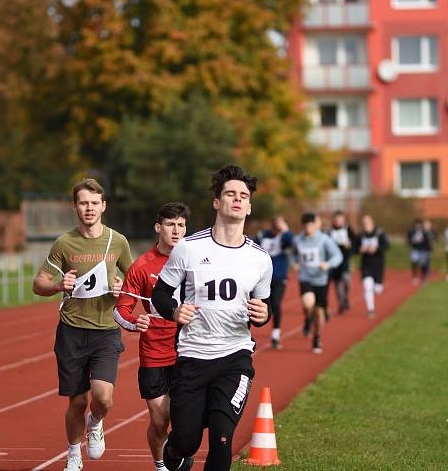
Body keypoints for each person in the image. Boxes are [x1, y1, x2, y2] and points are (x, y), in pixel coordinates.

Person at [151, 165, 273, 471]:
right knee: (187, 440)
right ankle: (177, 449)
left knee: (222, 436)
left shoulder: (260, 258)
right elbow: (161, 295)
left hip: (235, 356)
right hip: (193, 355)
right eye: (230, 193)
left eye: (243, 195)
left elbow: (263, 305)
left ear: (249, 205)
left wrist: (263, 313)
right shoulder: (188, 249)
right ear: (216, 202)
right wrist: (175, 311)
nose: (237, 199)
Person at [32, 178, 133, 471]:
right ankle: (73, 455)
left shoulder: (118, 241)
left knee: (102, 399)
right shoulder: (64, 243)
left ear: (103, 206)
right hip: (72, 330)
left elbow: (134, 277)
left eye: (94, 203)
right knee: (76, 402)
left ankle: (96, 421)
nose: (89, 208)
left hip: (105, 330)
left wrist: (121, 285)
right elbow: (38, 283)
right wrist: (57, 285)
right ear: (74, 207)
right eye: (83, 203)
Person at [113, 202, 190, 471]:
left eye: (181, 225)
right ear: (159, 227)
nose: (176, 230)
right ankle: (160, 465)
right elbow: (120, 310)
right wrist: (136, 321)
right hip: (154, 353)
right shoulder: (141, 266)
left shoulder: (197, 261)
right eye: (171, 224)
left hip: (190, 350)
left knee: (187, 418)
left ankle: (181, 454)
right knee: (160, 422)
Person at [293, 212, 342, 353]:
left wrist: (328, 264)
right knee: (308, 304)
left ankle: (317, 337)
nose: (308, 228)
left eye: (310, 225)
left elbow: (337, 255)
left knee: (319, 309)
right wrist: (295, 263)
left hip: (320, 279)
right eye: (305, 225)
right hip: (305, 278)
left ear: (316, 225)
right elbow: (294, 255)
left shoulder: (323, 239)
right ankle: (308, 319)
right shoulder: (298, 240)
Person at [255, 215, 294, 350]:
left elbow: (292, 243)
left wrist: (286, 230)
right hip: (262, 277)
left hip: (279, 276)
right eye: (276, 223)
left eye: (280, 223)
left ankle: (275, 334)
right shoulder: (263, 235)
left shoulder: (284, 237)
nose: (277, 226)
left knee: (276, 304)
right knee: (259, 305)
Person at [358, 214, 389, 319]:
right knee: (367, 286)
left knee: (378, 289)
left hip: (378, 265)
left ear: (372, 223)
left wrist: (377, 248)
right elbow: (354, 248)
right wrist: (359, 249)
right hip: (366, 265)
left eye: (367, 222)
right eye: (364, 223)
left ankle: (375, 291)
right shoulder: (360, 235)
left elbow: (387, 246)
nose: (365, 225)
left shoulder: (379, 233)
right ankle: (371, 310)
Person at [328, 210, 356, 315]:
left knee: (346, 279)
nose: (338, 222)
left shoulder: (348, 230)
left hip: (345, 259)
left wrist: (350, 245)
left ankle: (346, 297)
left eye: (340, 220)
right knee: (337, 283)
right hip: (335, 261)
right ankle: (341, 303)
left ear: (344, 220)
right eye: (336, 220)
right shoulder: (330, 232)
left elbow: (356, 241)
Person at [406, 219, 429, 284]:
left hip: (423, 250)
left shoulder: (424, 232)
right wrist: (411, 243)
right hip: (415, 249)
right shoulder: (411, 232)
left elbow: (427, 241)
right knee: (414, 262)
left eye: (419, 225)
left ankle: (424, 275)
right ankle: (415, 276)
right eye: (416, 225)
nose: (418, 226)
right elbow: (408, 240)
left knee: (423, 263)